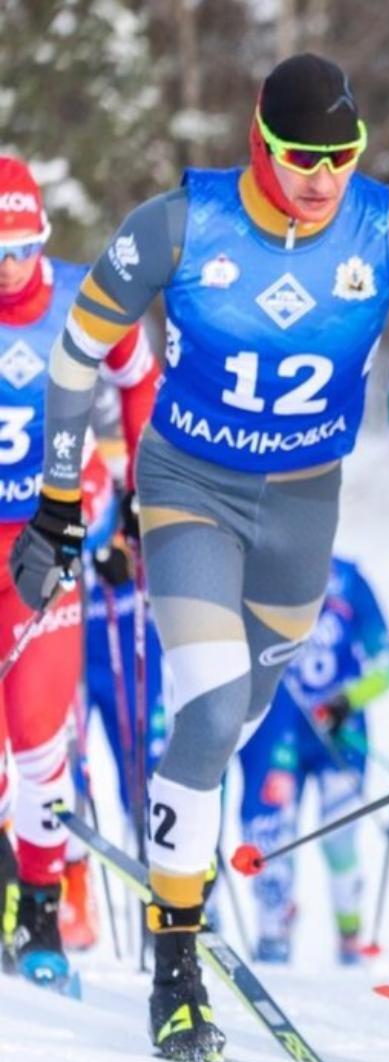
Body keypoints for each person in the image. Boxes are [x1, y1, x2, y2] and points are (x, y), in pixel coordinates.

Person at [9, 55, 389, 1062]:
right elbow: (75, 356)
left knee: (234, 723)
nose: (322, 176)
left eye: (340, 155)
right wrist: (64, 503)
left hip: (301, 508)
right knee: (204, 705)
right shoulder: (179, 225)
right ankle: (176, 962)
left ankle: (173, 852)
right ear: (258, 142)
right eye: (299, 156)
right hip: (189, 489)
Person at [0, 156, 158, 988]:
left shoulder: (79, 298)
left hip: (45, 538)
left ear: (41, 239)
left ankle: (38, 915)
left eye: (19, 248)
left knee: (37, 740)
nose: (6, 268)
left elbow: (140, 382)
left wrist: (131, 493)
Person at [237, 553, 389, 964]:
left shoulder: (349, 579)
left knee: (338, 837)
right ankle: (273, 927)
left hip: (339, 734)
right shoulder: (256, 574)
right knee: (269, 826)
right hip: (279, 730)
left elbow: (388, 666)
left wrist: (347, 701)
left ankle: (351, 937)